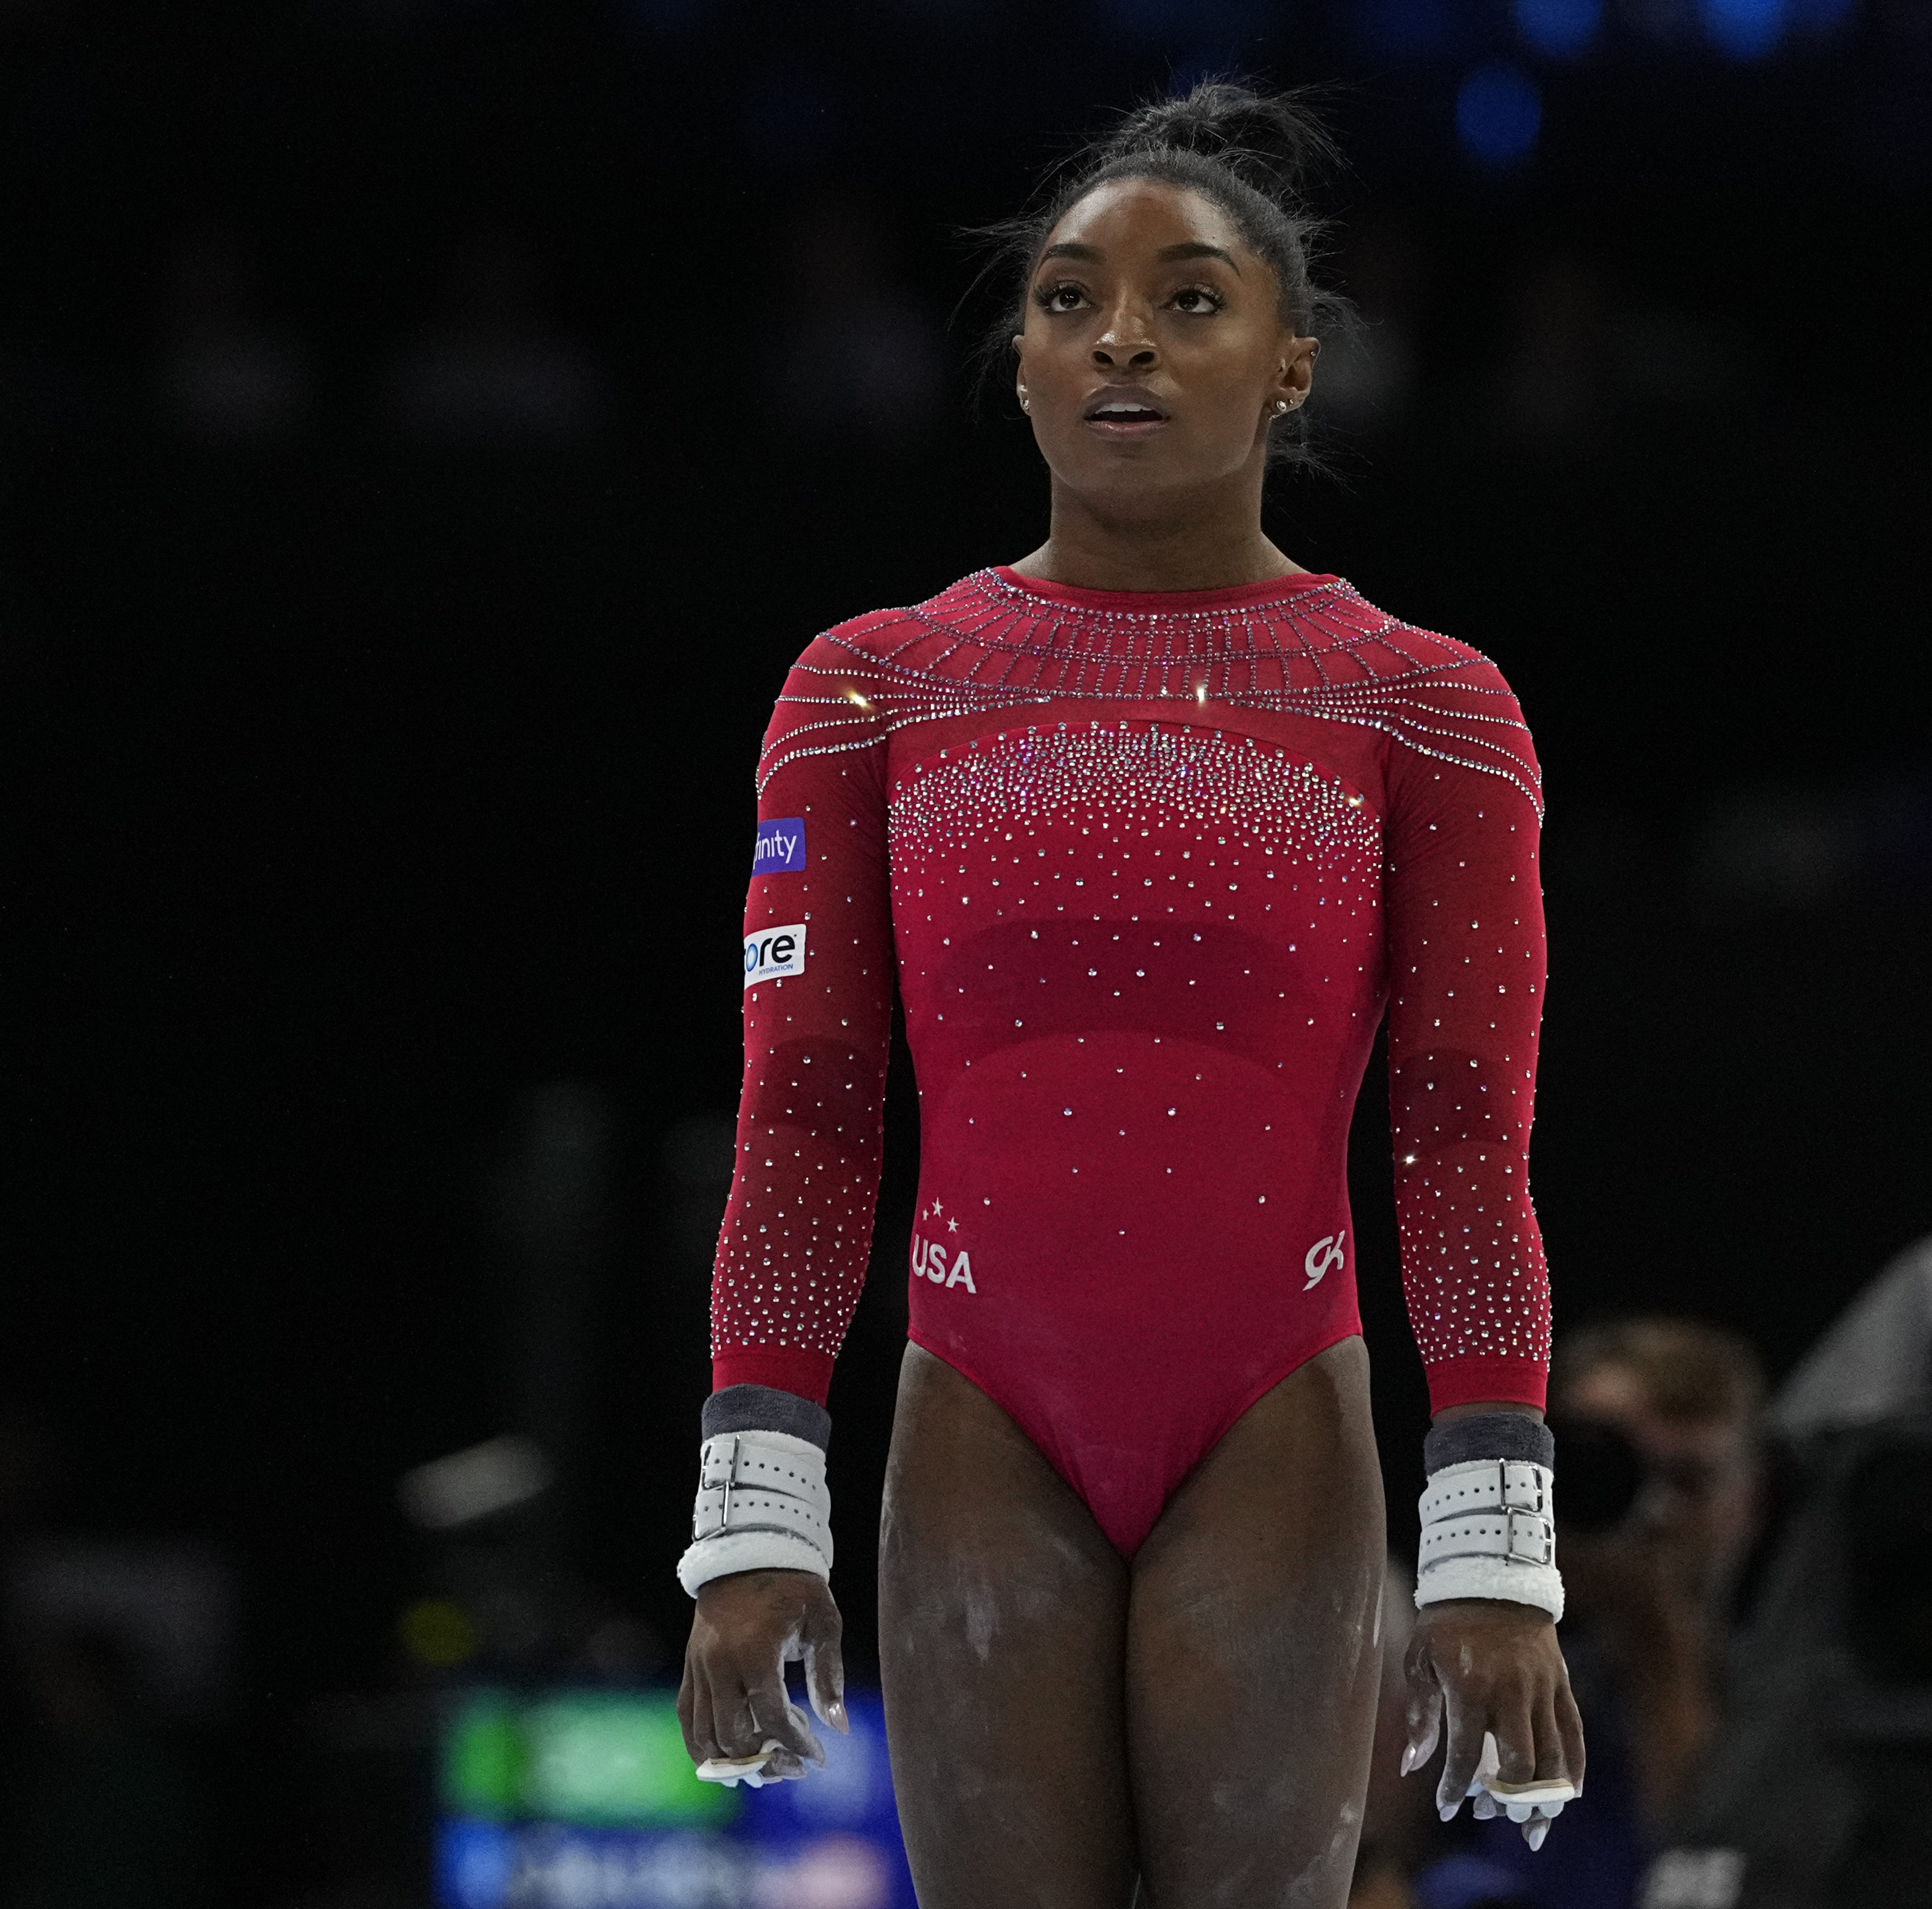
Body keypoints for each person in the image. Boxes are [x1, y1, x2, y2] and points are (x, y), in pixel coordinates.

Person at [668, 83, 1584, 1907]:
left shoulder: (1422, 702)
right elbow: (813, 1105)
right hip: (979, 1411)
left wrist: (1493, 1544)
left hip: (1271, 1414)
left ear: (1291, 364)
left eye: (1188, 300)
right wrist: (748, 1512)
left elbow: (1465, 1128)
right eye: (1072, 299)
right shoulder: (871, 686)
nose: (1122, 344)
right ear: (1015, 363)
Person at [1438, 1317, 1766, 1907]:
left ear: (1750, 1503)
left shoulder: (1810, 1701)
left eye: (1687, 1481)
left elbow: (1716, 1874)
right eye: (1609, 1475)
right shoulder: (1449, 1671)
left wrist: (1660, 1657)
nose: (1654, 1514)